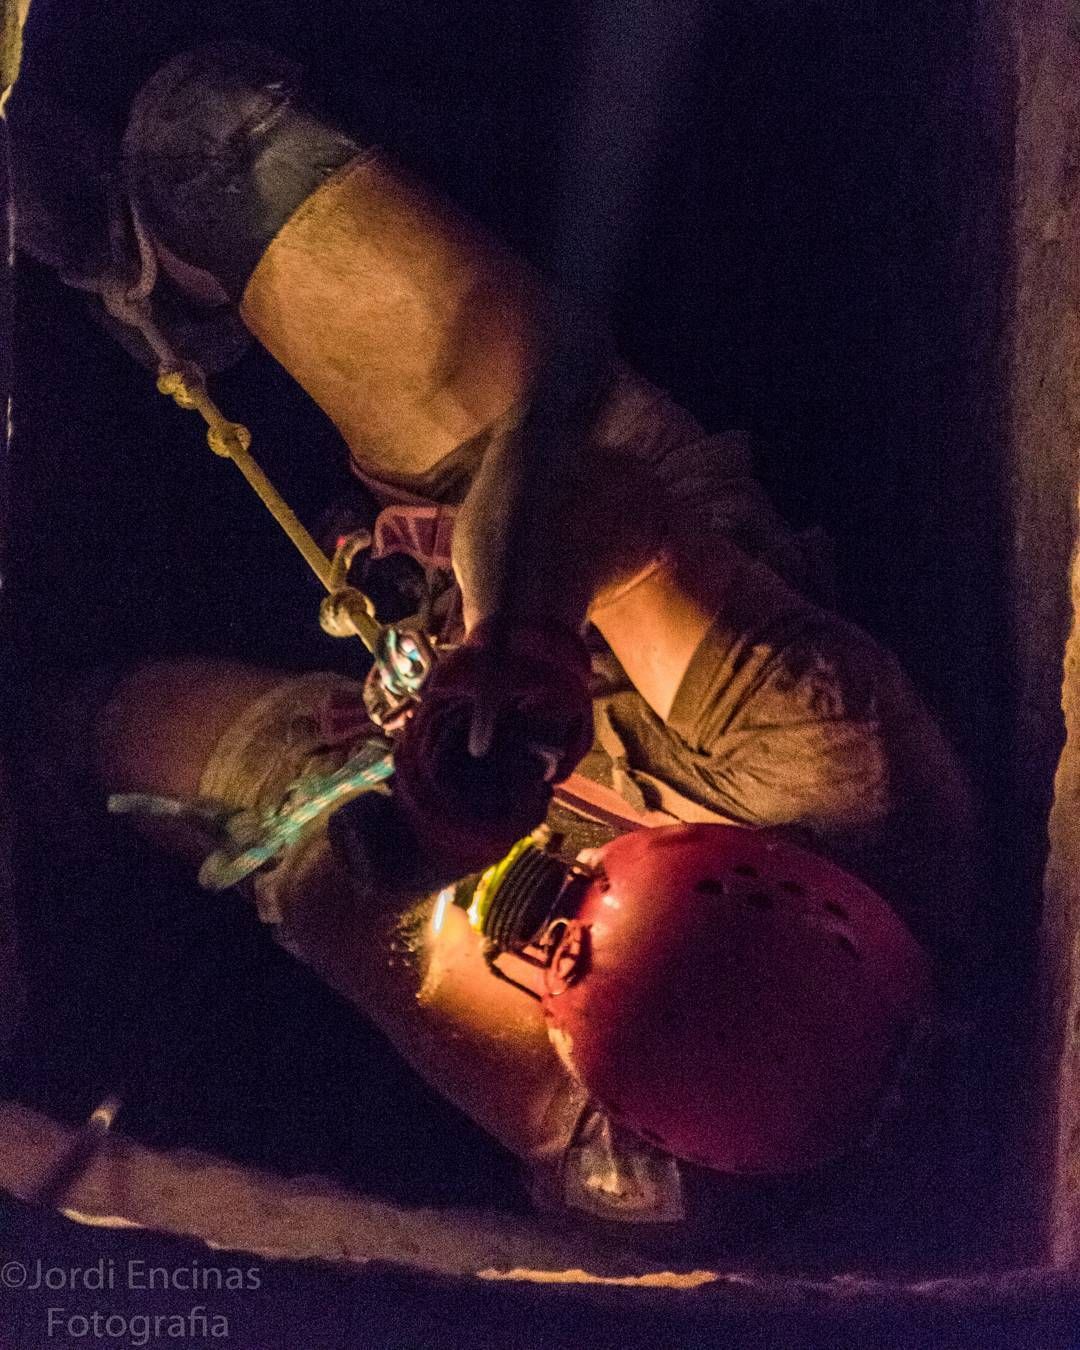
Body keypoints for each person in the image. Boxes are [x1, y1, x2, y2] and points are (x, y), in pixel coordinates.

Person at [19, 42, 975, 1236]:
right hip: (619, 569)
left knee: (207, 779)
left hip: (511, 815)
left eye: (564, 933)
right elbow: (596, 509)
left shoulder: (614, 1131)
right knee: (211, 144)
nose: (563, 887)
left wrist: (391, 823)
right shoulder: (836, 764)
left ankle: (43, 757)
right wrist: (513, 639)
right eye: (590, 897)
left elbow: (385, 922)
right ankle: (172, 279)